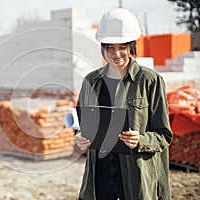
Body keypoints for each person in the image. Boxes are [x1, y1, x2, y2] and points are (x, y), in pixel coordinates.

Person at [74, 8, 173, 200]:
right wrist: (78, 137)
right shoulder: (90, 81)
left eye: (122, 47)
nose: (116, 53)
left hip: (135, 176)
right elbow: (78, 124)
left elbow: (164, 135)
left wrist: (141, 140)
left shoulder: (150, 81)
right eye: (110, 47)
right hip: (100, 176)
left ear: (131, 46)